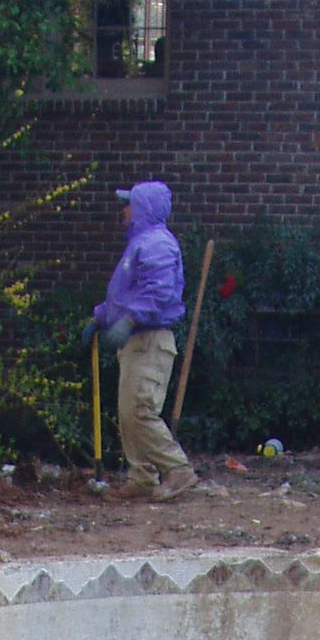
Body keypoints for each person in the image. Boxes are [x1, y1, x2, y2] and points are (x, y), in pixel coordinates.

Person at [93, 181, 195, 500]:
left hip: (149, 339)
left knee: (139, 409)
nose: (123, 211)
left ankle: (177, 469)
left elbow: (159, 292)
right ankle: (142, 478)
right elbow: (128, 294)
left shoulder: (156, 244)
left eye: (128, 204)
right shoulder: (142, 243)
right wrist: (101, 316)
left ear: (142, 208)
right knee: (128, 412)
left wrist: (129, 318)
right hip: (138, 339)